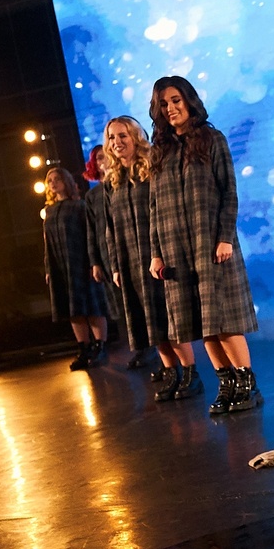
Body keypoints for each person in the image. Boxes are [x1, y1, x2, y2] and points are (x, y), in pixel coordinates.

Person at [146, 76, 262, 414]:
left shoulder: (212, 139)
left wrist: (225, 236)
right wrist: (156, 253)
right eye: (163, 104)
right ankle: (226, 383)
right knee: (201, 324)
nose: (171, 108)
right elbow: (154, 207)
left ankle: (247, 383)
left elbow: (229, 191)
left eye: (176, 100)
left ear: (189, 101)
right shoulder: (160, 151)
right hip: (176, 250)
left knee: (223, 320)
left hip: (210, 243)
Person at [100, 116, 184, 380]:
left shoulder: (152, 168)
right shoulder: (112, 181)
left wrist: (163, 252)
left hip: (156, 255)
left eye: (122, 135)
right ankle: (170, 370)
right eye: (111, 137)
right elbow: (110, 228)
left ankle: (188, 372)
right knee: (150, 320)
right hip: (130, 260)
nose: (116, 142)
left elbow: (165, 211)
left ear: (135, 137)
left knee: (168, 317)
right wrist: (116, 266)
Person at [40, 166, 107, 370]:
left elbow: (90, 235)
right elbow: (47, 242)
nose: (53, 183)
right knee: (73, 309)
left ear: (66, 181)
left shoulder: (79, 206)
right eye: (50, 180)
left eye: (57, 179)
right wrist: (49, 269)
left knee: (92, 305)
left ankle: (100, 346)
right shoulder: (49, 211)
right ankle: (83, 348)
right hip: (60, 265)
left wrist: (93, 262)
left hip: (80, 261)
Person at [81, 145, 124, 367]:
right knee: (116, 304)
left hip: (125, 249)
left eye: (105, 156)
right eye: (98, 158)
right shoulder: (92, 196)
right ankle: (135, 347)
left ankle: (150, 349)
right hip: (105, 255)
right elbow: (91, 231)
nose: (103, 161)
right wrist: (95, 262)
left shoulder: (122, 185)